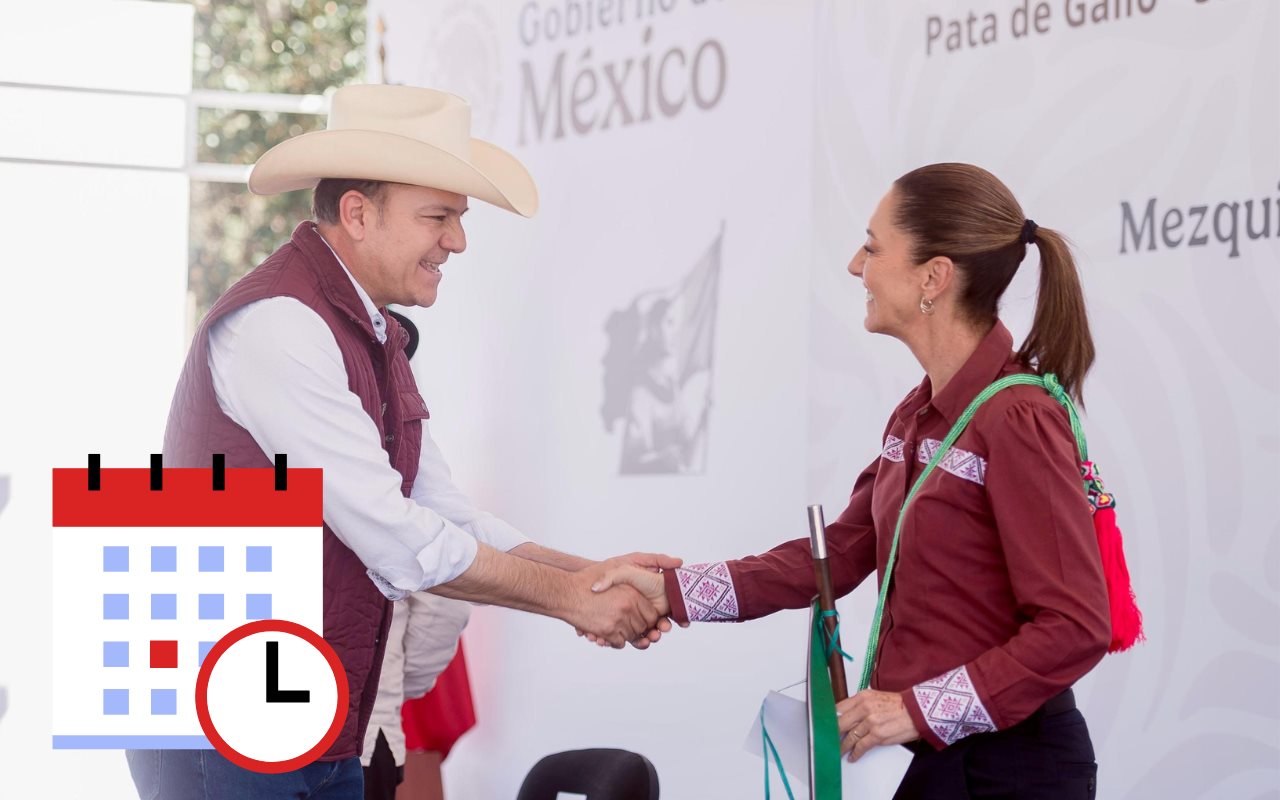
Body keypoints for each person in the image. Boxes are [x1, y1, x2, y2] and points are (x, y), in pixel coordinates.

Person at [130, 84, 675, 800]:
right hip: (223, 719)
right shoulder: (280, 326)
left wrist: (591, 575)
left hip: (302, 713)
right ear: (357, 213)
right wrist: (571, 600)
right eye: (437, 217)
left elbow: (444, 511)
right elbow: (397, 535)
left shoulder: (368, 330)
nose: (457, 240)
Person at [600, 163, 1112, 798]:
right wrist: (668, 591)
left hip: (1009, 770)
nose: (853, 265)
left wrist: (915, 710)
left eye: (872, 247)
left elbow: (1077, 625)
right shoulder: (915, 413)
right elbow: (839, 554)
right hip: (925, 762)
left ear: (934, 276)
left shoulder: (1018, 417)